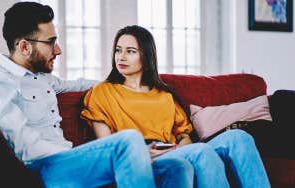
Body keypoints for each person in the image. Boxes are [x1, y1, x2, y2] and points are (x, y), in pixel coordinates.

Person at [0, 2, 192, 187]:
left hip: (65, 161)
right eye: (51, 42)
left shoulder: (39, 77)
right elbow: (26, 149)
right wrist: (79, 153)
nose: (58, 50)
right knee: (128, 140)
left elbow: (77, 85)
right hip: (40, 169)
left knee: (177, 166)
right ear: (24, 47)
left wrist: (123, 86)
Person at [81, 25, 271, 187]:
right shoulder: (103, 92)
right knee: (202, 151)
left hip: (174, 150)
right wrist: (138, 153)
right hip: (141, 156)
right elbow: (106, 146)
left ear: (146, 58)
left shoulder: (164, 95)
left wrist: (179, 148)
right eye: (118, 50)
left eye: (130, 51)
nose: (121, 57)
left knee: (239, 137)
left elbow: (184, 136)